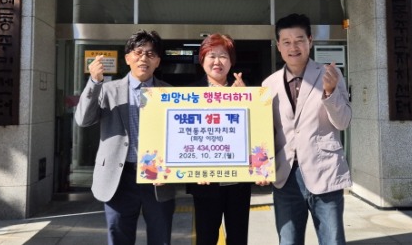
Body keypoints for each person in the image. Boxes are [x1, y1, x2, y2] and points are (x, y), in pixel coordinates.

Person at [74, 29, 175, 245]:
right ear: (127, 57)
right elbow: (83, 119)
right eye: (138, 53)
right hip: (118, 177)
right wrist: (94, 81)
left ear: (158, 61)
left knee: (161, 238)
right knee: (119, 238)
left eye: (150, 54)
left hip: (157, 178)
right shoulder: (108, 89)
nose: (143, 59)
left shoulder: (170, 93)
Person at [261, 13, 352, 245]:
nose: (294, 47)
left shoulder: (330, 75)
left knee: (332, 241)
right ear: (278, 46)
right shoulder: (268, 84)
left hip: (325, 172)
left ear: (310, 41)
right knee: (288, 241)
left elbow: (343, 122)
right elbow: (263, 132)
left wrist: (330, 92)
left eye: (299, 39)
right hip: (285, 176)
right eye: (287, 42)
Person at [185, 33, 250, 245]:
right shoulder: (189, 94)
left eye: (223, 56)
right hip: (204, 181)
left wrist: (245, 102)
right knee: (206, 238)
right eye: (212, 55)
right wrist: (192, 170)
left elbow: (257, 134)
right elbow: (183, 139)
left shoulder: (246, 92)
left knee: (238, 238)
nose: (217, 61)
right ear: (202, 59)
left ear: (231, 62)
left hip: (238, 181)